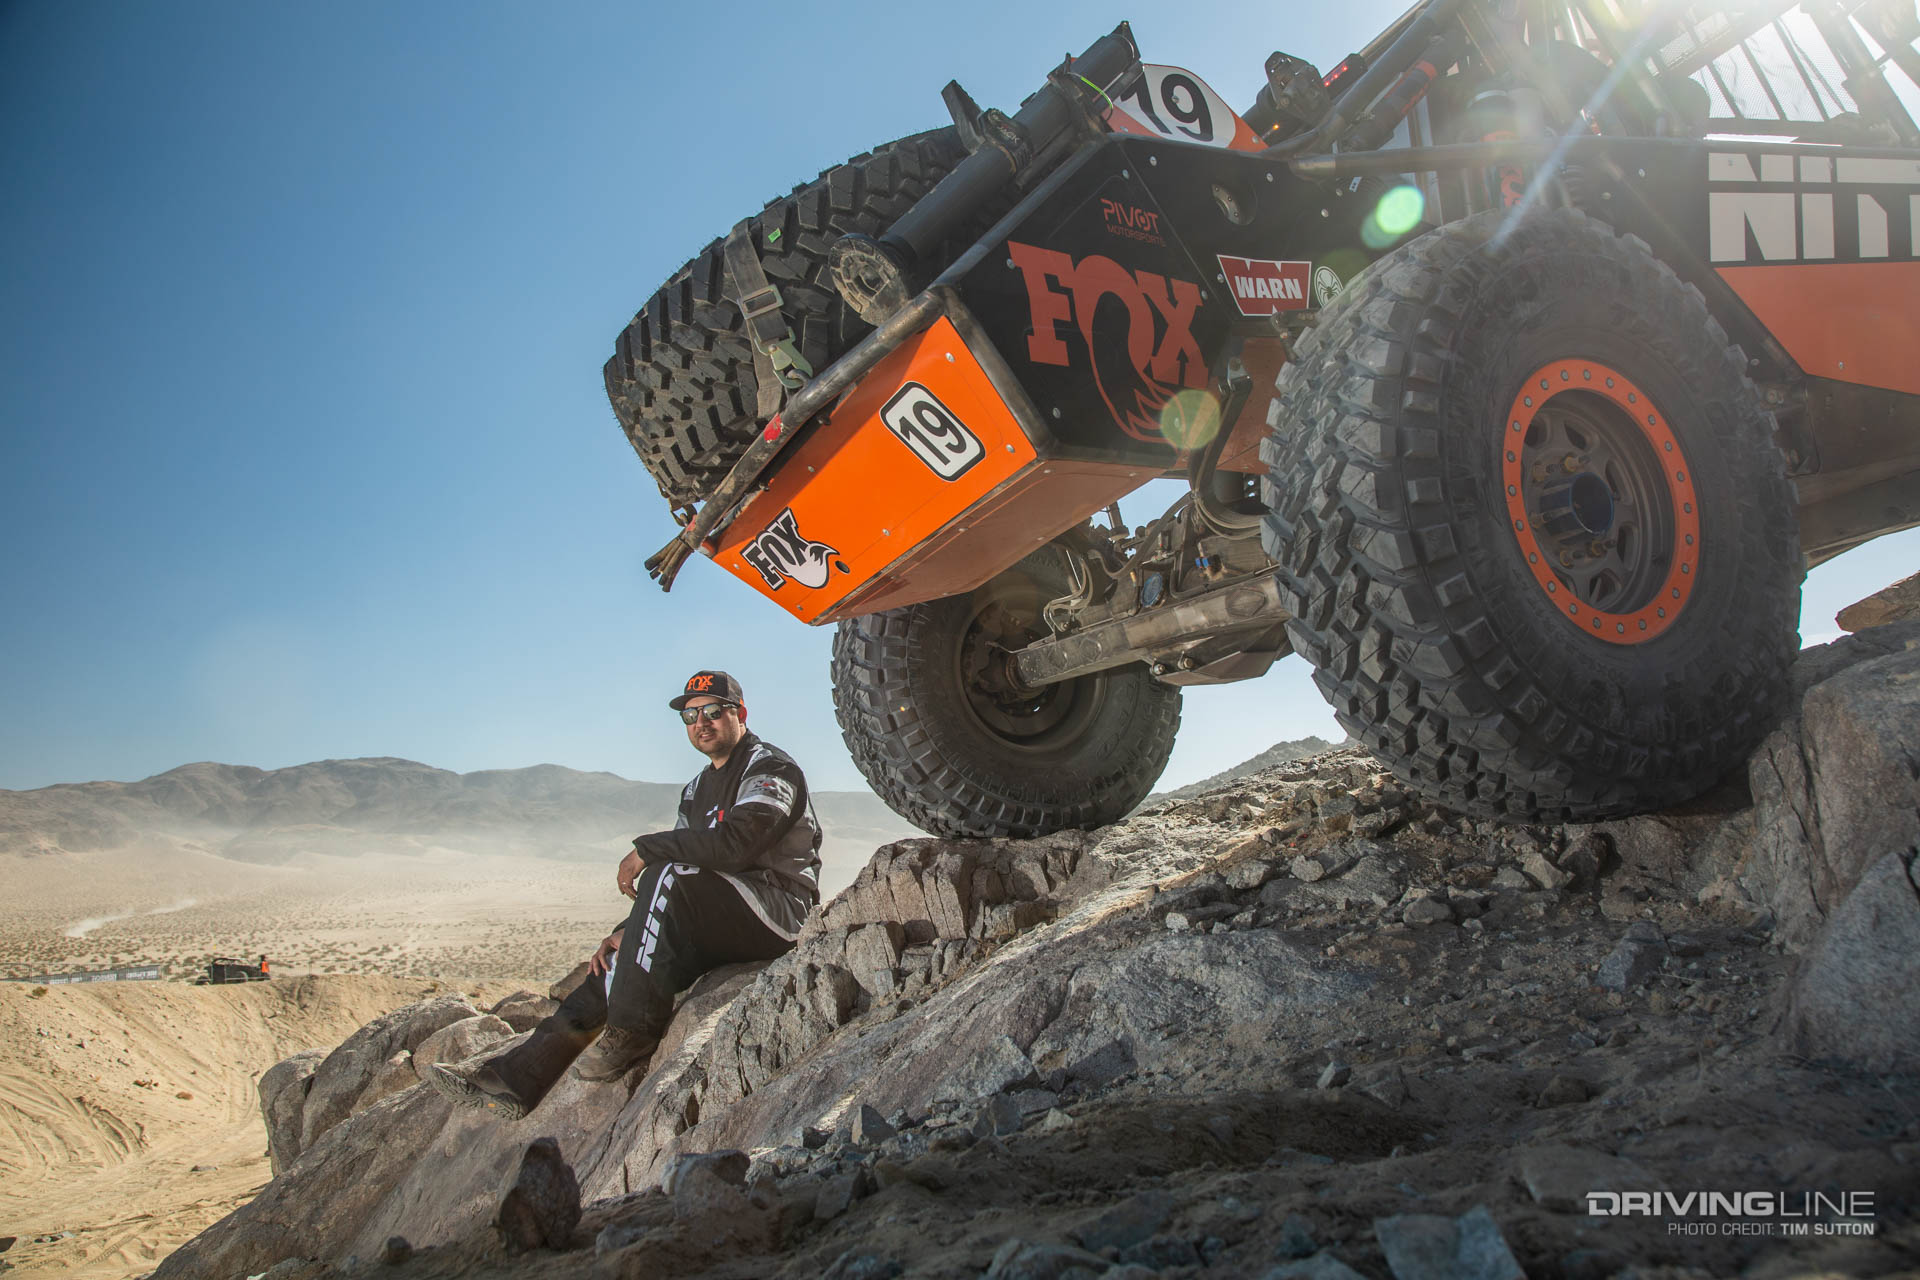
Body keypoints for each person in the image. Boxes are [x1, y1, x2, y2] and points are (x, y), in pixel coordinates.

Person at [426, 670, 822, 1119]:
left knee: (665, 871)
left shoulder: (769, 767)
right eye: (691, 716)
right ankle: (516, 1078)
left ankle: (632, 1031)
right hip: (725, 913)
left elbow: (732, 848)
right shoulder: (695, 790)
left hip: (779, 910)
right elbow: (689, 868)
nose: (701, 723)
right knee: (619, 957)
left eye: (713, 711)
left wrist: (645, 848)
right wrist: (626, 931)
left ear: (740, 714)